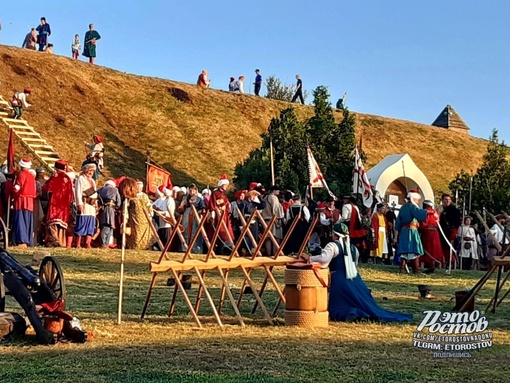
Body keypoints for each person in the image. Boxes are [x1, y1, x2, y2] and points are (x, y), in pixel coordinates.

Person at [301, 223, 412, 323]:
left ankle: (354, 313)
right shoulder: (353, 248)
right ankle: (359, 314)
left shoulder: (333, 246)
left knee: (338, 308)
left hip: (339, 279)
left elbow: (323, 259)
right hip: (355, 279)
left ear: (335, 235)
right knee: (362, 302)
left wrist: (309, 258)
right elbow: (354, 264)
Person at [395, 190, 430, 274]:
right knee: (414, 248)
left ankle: (402, 268)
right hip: (411, 231)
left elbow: (397, 223)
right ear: (413, 198)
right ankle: (416, 269)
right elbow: (419, 213)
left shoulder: (403, 208)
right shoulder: (412, 207)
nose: (418, 201)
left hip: (403, 232)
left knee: (404, 250)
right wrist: (429, 212)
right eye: (417, 199)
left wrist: (395, 237)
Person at [119, 178, 157, 250]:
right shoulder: (130, 197)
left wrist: (150, 215)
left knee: (145, 235)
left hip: (144, 219)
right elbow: (125, 209)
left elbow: (149, 206)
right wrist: (125, 219)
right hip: (134, 219)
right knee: (135, 235)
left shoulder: (144, 196)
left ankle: (145, 247)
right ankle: (135, 247)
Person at [44, 160, 74, 247]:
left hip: (55, 203)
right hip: (64, 205)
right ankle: (62, 242)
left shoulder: (55, 176)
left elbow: (47, 188)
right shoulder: (67, 178)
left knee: (53, 223)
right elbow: (70, 194)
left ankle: (54, 240)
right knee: (62, 225)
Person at [207, 174, 234, 254]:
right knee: (217, 231)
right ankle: (216, 249)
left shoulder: (224, 195)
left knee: (226, 232)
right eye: (225, 184)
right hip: (217, 216)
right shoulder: (215, 193)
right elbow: (212, 205)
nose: (226, 186)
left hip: (224, 216)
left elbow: (226, 205)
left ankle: (225, 249)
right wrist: (212, 215)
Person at [12, 158, 36, 247]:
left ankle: (22, 240)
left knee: (21, 220)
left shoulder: (21, 174)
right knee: (28, 220)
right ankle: (28, 240)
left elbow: (17, 187)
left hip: (21, 200)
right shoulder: (31, 176)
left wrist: (12, 188)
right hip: (30, 201)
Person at [74, 163, 98, 248]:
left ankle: (88, 243)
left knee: (91, 224)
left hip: (91, 206)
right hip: (84, 203)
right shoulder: (80, 179)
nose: (91, 173)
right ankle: (78, 243)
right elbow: (78, 192)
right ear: (85, 171)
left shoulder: (93, 181)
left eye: (92, 171)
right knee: (82, 223)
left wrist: (96, 204)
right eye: (89, 170)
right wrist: (79, 204)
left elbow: (95, 193)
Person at [178, 183, 206, 253]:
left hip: (195, 216)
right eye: (190, 190)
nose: (191, 192)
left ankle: (195, 249)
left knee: (195, 231)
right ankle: (184, 247)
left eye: (193, 190)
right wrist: (182, 205)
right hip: (186, 215)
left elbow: (203, 208)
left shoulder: (199, 199)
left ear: (196, 191)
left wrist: (200, 212)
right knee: (185, 230)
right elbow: (181, 208)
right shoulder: (185, 198)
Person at [438, 193, 462, 266]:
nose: (447, 201)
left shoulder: (454, 210)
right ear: (442, 200)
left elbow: (457, 222)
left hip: (450, 231)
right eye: (445, 199)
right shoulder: (440, 209)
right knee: (442, 247)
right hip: (442, 231)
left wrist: (454, 230)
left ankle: (451, 262)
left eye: (449, 199)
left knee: (450, 247)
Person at [419, 200, 443, 269]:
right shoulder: (435, 213)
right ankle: (436, 264)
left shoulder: (425, 212)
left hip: (427, 233)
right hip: (435, 233)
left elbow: (423, 223)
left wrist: (420, 229)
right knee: (435, 250)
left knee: (427, 248)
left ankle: (423, 264)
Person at [97, 180, 121, 248]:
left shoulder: (100, 190)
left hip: (102, 209)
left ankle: (105, 244)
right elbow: (118, 202)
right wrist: (117, 207)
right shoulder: (115, 190)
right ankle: (104, 244)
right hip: (111, 209)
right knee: (108, 226)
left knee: (106, 226)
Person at [261, 185, 284, 256]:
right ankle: (274, 255)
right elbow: (276, 209)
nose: (278, 191)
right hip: (273, 220)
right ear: (274, 191)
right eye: (277, 190)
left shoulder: (265, 197)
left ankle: (268, 255)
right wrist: (280, 217)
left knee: (268, 238)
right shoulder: (273, 197)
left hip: (266, 220)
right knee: (276, 238)